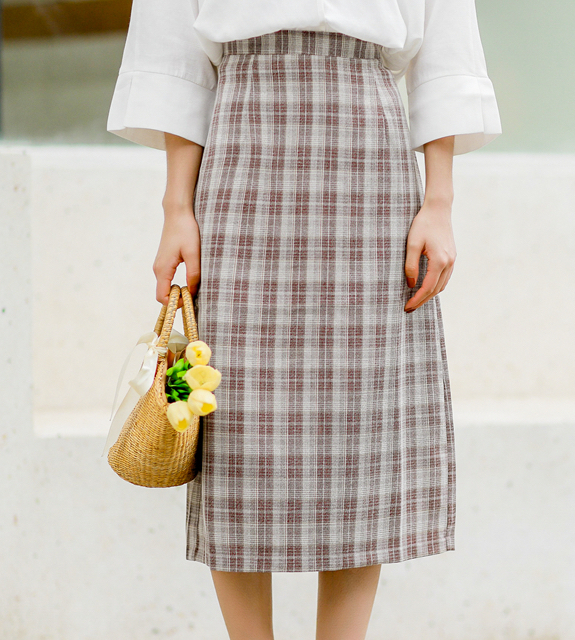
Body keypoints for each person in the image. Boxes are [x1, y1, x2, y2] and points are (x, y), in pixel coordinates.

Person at [107, 0, 501, 638]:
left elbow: (446, 44)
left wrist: (440, 202)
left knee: (359, 427)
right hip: (242, 141)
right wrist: (176, 208)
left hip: (369, 149)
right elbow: (173, 49)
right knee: (234, 423)